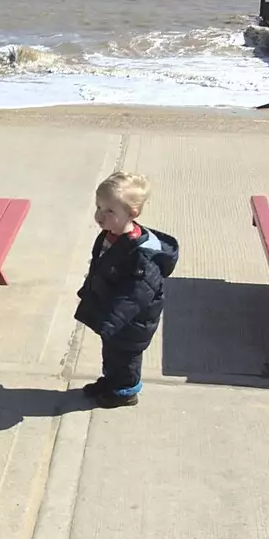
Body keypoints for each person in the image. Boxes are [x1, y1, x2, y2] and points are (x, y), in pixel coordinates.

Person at [74, 172, 179, 409]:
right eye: (99, 207)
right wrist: (89, 291)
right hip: (113, 315)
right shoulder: (109, 236)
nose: (100, 215)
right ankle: (112, 382)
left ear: (133, 213)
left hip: (131, 322)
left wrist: (112, 321)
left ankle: (125, 393)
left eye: (109, 211)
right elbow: (100, 268)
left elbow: (136, 296)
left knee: (126, 359)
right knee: (112, 355)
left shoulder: (142, 256)